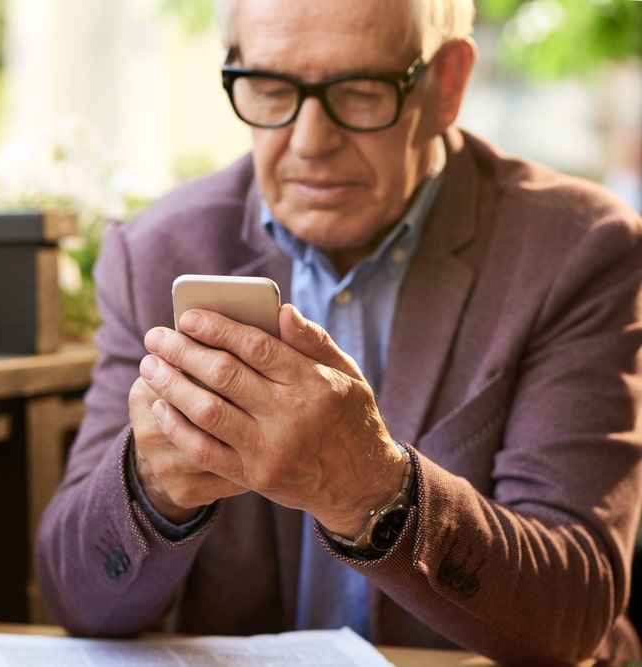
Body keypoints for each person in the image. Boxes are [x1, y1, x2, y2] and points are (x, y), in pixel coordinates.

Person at [34, 0, 642, 664]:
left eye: (358, 92)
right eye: (270, 89)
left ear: (447, 85)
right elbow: (77, 599)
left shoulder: (577, 249)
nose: (309, 141)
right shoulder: (155, 253)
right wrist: (150, 488)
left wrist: (374, 490)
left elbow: (574, 609)